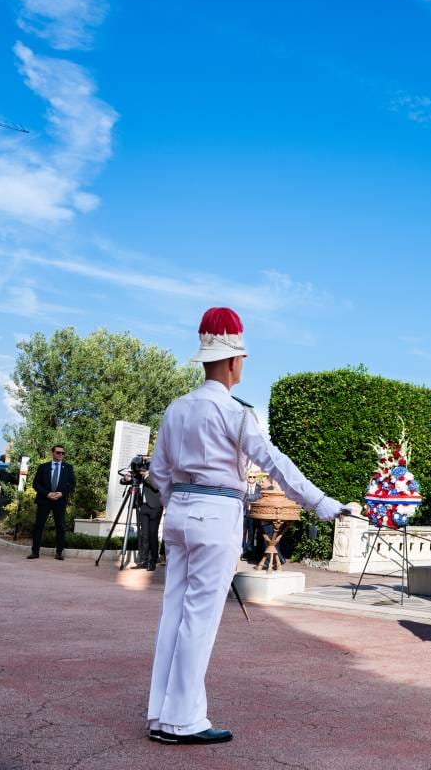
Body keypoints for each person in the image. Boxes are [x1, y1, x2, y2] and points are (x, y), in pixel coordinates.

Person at [145, 307, 353, 746]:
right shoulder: (236, 413)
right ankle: (183, 719)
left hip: (179, 514)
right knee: (199, 620)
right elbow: (275, 463)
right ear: (234, 362)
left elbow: (160, 473)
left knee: (173, 615)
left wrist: (178, 501)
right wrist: (322, 503)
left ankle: (161, 714)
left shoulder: (176, 409)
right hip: (216, 515)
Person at [28, 445, 75, 560]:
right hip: (44, 500)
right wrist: (47, 494)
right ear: (53, 453)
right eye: (58, 452)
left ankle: (59, 552)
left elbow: (72, 484)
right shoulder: (43, 467)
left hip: (60, 501)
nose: (61, 455)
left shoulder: (68, 468)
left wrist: (62, 494)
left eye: (63, 453)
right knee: (39, 526)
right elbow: (36, 484)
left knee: (60, 526)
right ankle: (35, 551)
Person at [135, 470, 163, 572]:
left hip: (155, 506)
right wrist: (126, 479)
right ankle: (143, 561)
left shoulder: (159, 471)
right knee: (144, 535)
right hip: (143, 506)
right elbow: (128, 481)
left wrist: (147, 476)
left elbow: (156, 487)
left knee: (152, 534)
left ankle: (153, 560)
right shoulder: (141, 474)